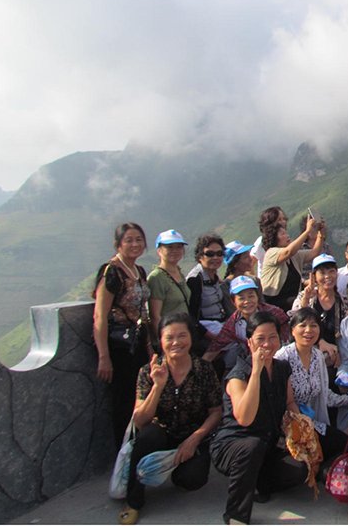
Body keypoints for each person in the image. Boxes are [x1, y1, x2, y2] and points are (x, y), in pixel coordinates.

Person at [117, 313, 222, 525]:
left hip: (191, 434)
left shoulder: (203, 370)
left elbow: (216, 412)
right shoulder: (148, 371)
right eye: (169, 337)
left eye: (182, 335)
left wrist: (194, 439)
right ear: (161, 340)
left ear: (191, 337)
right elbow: (140, 420)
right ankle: (133, 500)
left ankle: (173, 469)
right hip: (160, 433)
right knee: (147, 437)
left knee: (192, 480)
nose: (176, 342)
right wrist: (158, 386)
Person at [210, 312, 308, 525]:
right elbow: (244, 419)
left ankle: (257, 482)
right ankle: (236, 515)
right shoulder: (238, 375)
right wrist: (256, 372)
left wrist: (300, 430)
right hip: (235, 444)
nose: (267, 344)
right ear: (249, 342)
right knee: (251, 447)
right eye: (260, 339)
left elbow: (290, 402)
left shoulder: (282, 367)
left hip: (267, 443)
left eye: (272, 337)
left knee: (300, 469)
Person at [93, 222, 151, 447]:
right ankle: (123, 453)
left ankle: (137, 449)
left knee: (141, 398)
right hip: (120, 347)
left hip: (138, 344)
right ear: (118, 244)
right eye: (129, 240)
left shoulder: (139, 271)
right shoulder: (112, 272)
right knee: (124, 401)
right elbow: (100, 315)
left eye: (139, 239)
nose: (135, 244)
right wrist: (104, 356)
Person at [275, 308, 348, 463]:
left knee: (343, 443)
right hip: (287, 426)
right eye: (302, 325)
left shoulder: (317, 357)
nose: (308, 330)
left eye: (314, 325)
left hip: (310, 422)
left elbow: (324, 393)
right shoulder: (283, 357)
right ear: (292, 330)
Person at [203, 276, 290, 371]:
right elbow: (217, 345)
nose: (247, 301)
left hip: (279, 358)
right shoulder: (233, 323)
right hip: (252, 362)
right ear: (233, 301)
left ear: (257, 297)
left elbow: (289, 336)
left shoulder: (274, 313)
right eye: (241, 298)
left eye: (251, 296)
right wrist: (201, 366)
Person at [261, 215, 326, 312]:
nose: (287, 236)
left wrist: (321, 234)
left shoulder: (295, 256)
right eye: (282, 234)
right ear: (274, 238)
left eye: (286, 233)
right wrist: (307, 231)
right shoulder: (271, 253)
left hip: (293, 304)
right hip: (274, 304)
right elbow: (288, 252)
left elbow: (314, 252)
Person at [292, 254, 345, 366]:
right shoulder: (304, 296)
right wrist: (306, 299)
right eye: (322, 273)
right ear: (314, 276)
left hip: (337, 355)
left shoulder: (344, 300)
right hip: (308, 351)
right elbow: (295, 323)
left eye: (331, 271)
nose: (327, 276)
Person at [186, 233, 233, 351]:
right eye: (210, 254)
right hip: (206, 332)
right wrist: (212, 337)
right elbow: (191, 315)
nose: (215, 257)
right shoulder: (195, 280)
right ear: (200, 256)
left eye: (219, 253)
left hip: (221, 325)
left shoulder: (214, 276)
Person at [147, 230, 191, 340]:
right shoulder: (157, 278)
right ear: (159, 250)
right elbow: (155, 316)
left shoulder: (179, 272)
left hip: (183, 333)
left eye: (179, 247)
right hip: (170, 337)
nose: (175, 251)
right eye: (169, 247)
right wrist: (162, 341)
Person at [250, 207, 287, 278]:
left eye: (284, 219)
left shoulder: (285, 239)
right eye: (279, 220)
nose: (283, 222)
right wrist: (257, 282)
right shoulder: (261, 242)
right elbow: (250, 264)